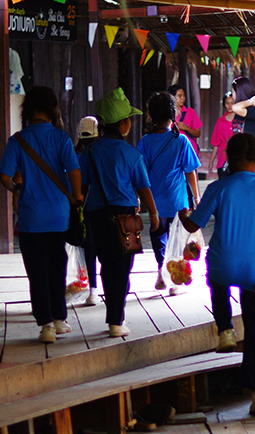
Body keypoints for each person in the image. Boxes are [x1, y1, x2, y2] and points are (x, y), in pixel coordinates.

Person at [178, 133, 255, 415]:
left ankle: (225, 329)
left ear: (230, 158)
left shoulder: (218, 187)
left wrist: (183, 214)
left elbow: (193, 225)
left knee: (216, 278)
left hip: (223, 266)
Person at [0, 86, 82, 344]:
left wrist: (17, 189)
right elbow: (74, 171)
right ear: (52, 109)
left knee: (36, 272)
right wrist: (77, 197)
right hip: (58, 216)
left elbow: (4, 176)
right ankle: (60, 319)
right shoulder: (61, 138)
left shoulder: (18, 140)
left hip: (31, 218)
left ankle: (45, 325)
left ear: (28, 110)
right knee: (58, 267)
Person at [80, 88, 159, 338]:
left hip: (96, 215)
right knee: (123, 266)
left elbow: (82, 185)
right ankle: (116, 319)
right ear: (123, 124)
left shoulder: (89, 152)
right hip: (126, 218)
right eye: (128, 120)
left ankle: (113, 317)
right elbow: (143, 188)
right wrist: (154, 215)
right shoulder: (131, 154)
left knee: (107, 264)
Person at [137, 91, 200, 294]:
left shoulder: (145, 142)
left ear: (151, 116)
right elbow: (190, 171)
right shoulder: (181, 141)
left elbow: (140, 172)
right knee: (178, 238)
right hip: (178, 200)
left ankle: (161, 270)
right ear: (173, 114)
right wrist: (196, 196)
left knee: (158, 236)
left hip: (155, 201)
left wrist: (138, 196)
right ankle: (175, 277)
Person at [75, 116, 101, 307]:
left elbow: (80, 188)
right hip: (107, 206)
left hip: (86, 209)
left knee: (89, 249)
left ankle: (92, 290)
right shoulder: (103, 152)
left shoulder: (78, 156)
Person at [168, 84, 202, 156]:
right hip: (172, 153)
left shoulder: (190, 112)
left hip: (189, 153)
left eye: (183, 96)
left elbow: (198, 133)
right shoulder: (166, 114)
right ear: (172, 97)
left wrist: (186, 128)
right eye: (180, 96)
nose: (183, 98)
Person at [209, 91, 235, 178]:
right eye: (227, 103)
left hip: (238, 161)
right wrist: (211, 161)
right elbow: (216, 144)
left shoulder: (240, 120)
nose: (230, 105)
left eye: (232, 103)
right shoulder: (220, 121)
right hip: (223, 161)